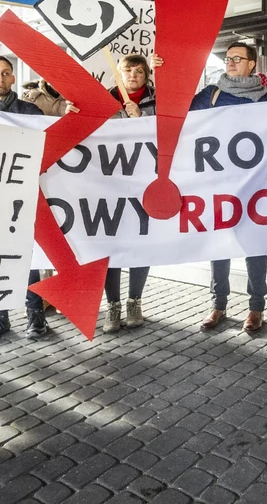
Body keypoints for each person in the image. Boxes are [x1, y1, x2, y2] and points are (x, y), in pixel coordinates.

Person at [191, 42, 267, 333]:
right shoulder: (210, 95)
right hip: (220, 184)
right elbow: (183, 121)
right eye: (227, 58)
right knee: (220, 245)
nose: (229, 62)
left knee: (255, 246)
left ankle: (256, 308)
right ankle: (218, 304)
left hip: (257, 185)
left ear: (252, 64)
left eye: (236, 58)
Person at [0, 55, 50, 343]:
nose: (0, 78)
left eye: (6, 73)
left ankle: (35, 315)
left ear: (13, 78)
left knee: (27, 255)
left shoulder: (30, 111)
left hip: (25, 193)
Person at [103, 53, 160, 332]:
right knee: (110, 244)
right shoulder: (102, 99)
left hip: (144, 182)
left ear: (146, 74)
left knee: (141, 241)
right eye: (128, 70)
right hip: (108, 182)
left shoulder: (157, 99)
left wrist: (144, 118)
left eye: (139, 70)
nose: (133, 75)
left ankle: (134, 301)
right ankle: (112, 306)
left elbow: (172, 128)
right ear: (119, 75)